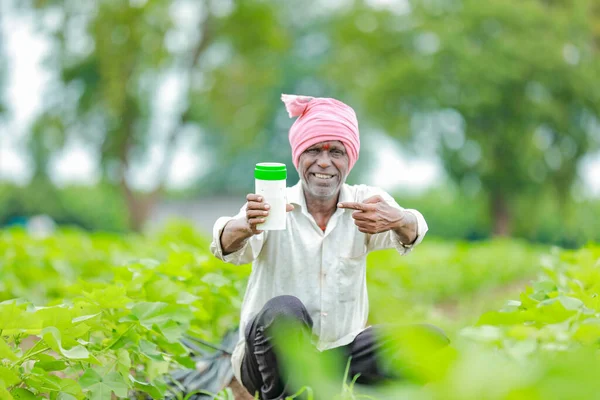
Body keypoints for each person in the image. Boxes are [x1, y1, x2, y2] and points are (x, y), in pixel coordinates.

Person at [210, 94, 444, 399]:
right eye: (313, 151)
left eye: (336, 151)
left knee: (429, 340)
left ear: (349, 160)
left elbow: (415, 229)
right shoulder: (274, 204)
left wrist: (398, 219)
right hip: (267, 358)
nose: (324, 162)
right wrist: (245, 225)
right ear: (298, 158)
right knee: (284, 311)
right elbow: (225, 245)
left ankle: (338, 391)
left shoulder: (365, 205)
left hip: (336, 356)